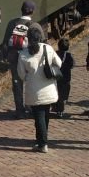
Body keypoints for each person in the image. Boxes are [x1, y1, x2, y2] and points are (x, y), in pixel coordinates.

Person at [17, 25, 62, 153]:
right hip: (49, 89)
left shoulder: (23, 54)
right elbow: (59, 63)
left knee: (39, 117)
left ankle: (42, 143)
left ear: (28, 39)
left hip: (34, 92)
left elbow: (21, 74)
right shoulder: (48, 48)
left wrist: (30, 77)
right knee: (45, 115)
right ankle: (42, 139)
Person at [4, 0, 39, 118]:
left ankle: (19, 111)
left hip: (14, 58)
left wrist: (6, 57)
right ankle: (31, 107)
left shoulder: (12, 23)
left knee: (17, 84)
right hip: (29, 58)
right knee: (31, 82)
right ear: (32, 12)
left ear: (21, 10)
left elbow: (5, 43)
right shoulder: (34, 25)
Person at [53, 37, 74, 119]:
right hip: (66, 78)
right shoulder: (68, 55)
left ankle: (56, 107)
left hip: (56, 77)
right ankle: (60, 110)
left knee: (56, 92)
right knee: (63, 95)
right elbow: (72, 65)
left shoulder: (55, 53)